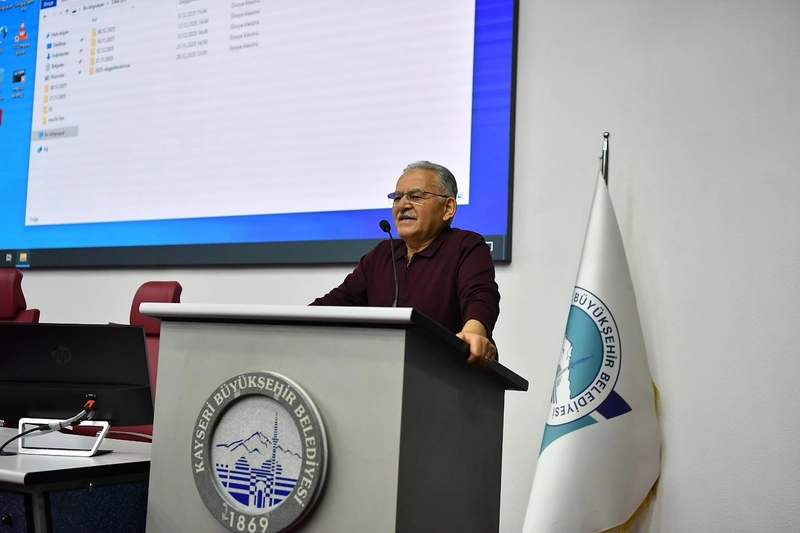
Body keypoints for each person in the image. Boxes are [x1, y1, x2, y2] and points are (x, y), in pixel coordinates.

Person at [311, 160, 499, 367]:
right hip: (382, 369)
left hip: (445, 372)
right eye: (397, 198)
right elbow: (337, 302)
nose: (402, 205)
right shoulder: (383, 254)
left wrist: (473, 332)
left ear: (448, 208)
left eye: (416, 196)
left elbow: (480, 295)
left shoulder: (465, 245)